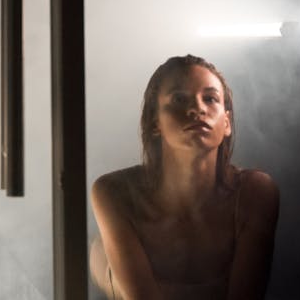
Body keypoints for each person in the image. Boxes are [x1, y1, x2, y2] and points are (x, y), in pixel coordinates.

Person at [90, 55, 279, 300]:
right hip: (107, 267)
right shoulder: (113, 192)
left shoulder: (257, 192)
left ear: (227, 122)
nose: (198, 109)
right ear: (154, 122)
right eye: (179, 99)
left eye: (210, 98)